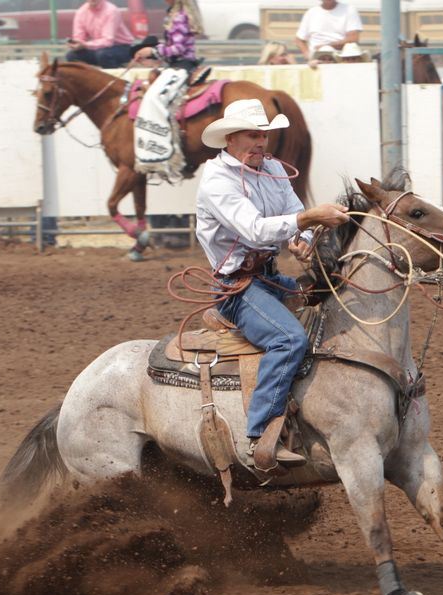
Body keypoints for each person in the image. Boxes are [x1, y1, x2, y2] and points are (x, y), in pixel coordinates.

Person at [196, 99, 349, 468]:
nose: (261, 142)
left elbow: (292, 219)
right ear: (230, 139)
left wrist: (303, 242)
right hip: (238, 288)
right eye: (253, 135)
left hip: (269, 276)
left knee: (335, 304)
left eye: (264, 135)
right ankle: (261, 435)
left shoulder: (274, 169)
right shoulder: (217, 180)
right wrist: (308, 217)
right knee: (287, 339)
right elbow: (253, 227)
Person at [133, 0, 204, 179]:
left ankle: (163, 154)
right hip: (176, 65)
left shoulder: (179, 17)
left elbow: (178, 48)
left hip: (182, 66)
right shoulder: (175, 13)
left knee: (153, 98)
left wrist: (153, 51)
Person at [65, 0, 136, 69]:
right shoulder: (81, 12)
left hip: (122, 48)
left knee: (104, 55)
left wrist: (85, 45)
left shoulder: (111, 10)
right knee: (71, 56)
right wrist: (76, 44)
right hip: (99, 48)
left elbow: (108, 41)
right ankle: (88, 79)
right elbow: (79, 37)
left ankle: (115, 79)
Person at [296, 0, 363, 67]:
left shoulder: (349, 10)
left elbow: (353, 38)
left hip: (340, 61)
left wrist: (327, 46)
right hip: (316, 63)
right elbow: (299, 40)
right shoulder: (311, 13)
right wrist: (309, 57)